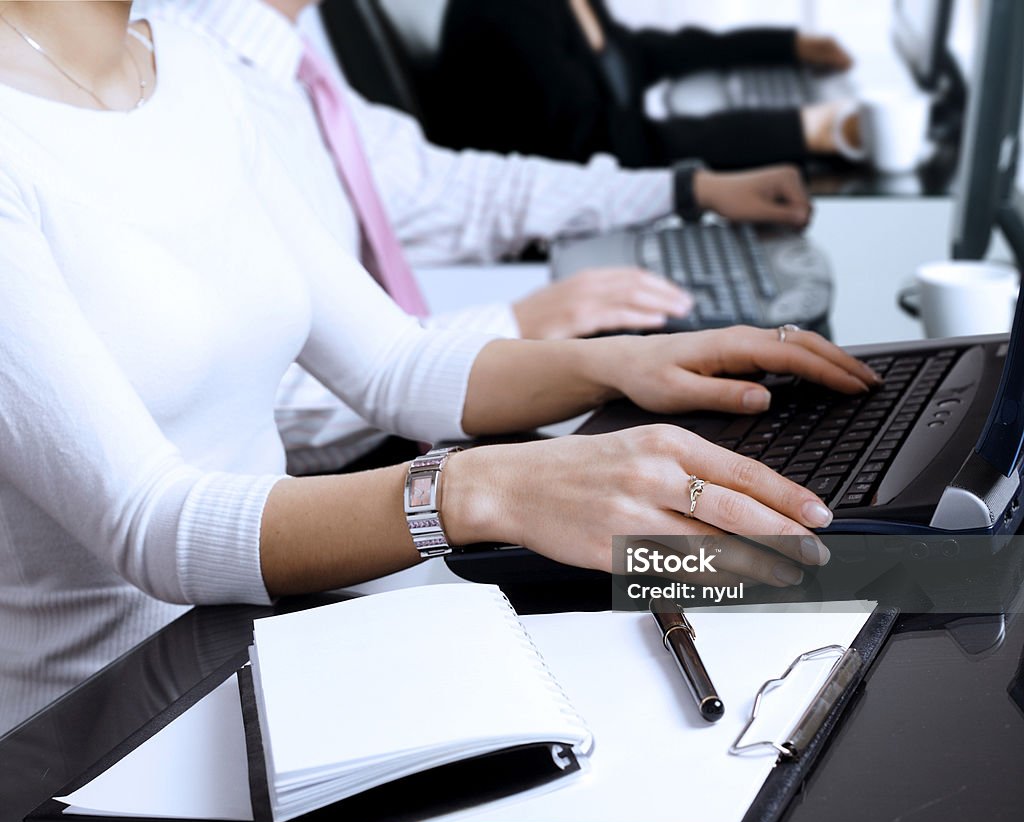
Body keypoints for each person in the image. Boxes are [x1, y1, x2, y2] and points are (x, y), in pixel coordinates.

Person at [0, 0, 877, 733]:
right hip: (103, 731)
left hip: (267, 648)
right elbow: (155, 522)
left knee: (808, 593)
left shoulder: (189, 62)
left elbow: (391, 360)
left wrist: (629, 361)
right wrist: (482, 487)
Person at [142, 0, 817, 476]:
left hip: (405, 421)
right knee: (705, 543)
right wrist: (521, 322)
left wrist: (683, 190)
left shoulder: (285, 64)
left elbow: (456, 190)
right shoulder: (181, 79)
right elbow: (263, 397)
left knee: (732, 496)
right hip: (334, 482)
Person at [425, 0, 854, 170]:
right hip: (543, 244)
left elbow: (633, 54)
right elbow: (607, 142)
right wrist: (803, 129)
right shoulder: (506, 14)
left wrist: (786, 45)